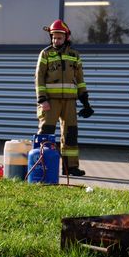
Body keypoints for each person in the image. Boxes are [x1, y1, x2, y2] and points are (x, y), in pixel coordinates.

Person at [35, 19, 94, 176]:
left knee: (70, 134)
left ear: (66, 37)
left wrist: (86, 102)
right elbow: (39, 78)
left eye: (59, 37)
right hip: (50, 103)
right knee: (45, 134)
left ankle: (70, 167)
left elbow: (80, 80)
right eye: (53, 37)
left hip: (69, 102)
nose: (56, 40)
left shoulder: (75, 55)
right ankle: (42, 165)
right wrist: (42, 100)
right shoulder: (45, 54)